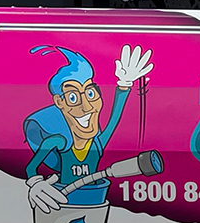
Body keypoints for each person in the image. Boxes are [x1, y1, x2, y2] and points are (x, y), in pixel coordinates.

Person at [23, 44, 154, 212]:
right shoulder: (58, 142)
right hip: (62, 203)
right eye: (73, 97)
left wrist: (124, 84)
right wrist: (36, 183)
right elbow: (31, 167)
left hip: (94, 201)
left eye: (90, 93)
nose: (87, 106)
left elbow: (114, 119)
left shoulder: (97, 144)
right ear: (59, 102)